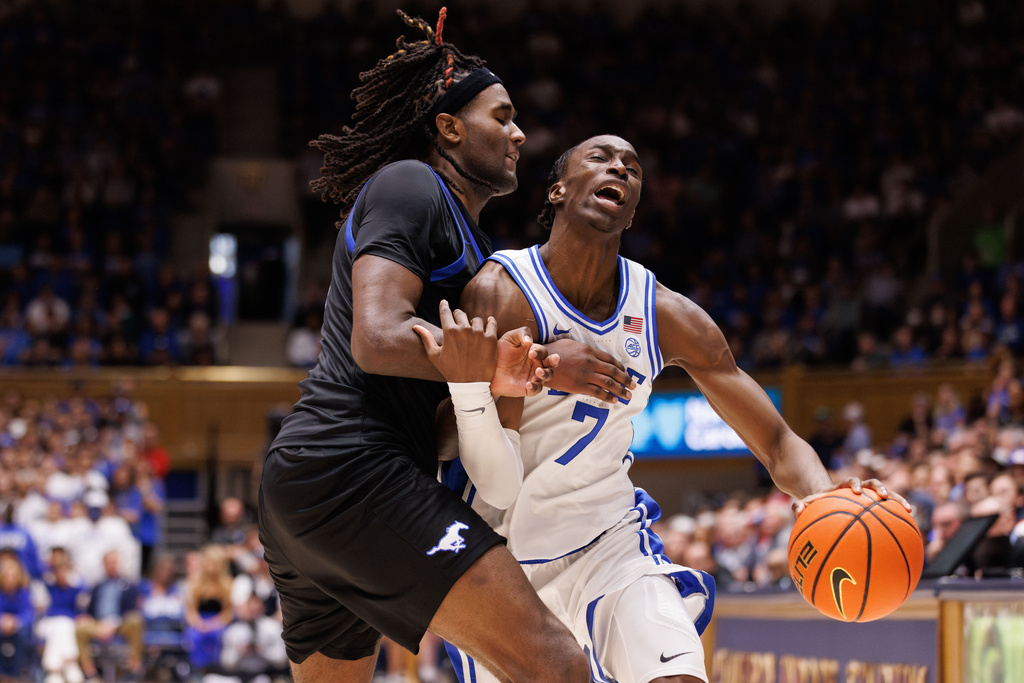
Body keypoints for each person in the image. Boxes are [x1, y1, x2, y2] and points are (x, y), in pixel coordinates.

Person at [423, 135, 909, 683]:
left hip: (608, 547)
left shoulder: (663, 313)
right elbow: (476, 461)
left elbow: (774, 441)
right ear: (558, 189)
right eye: (602, 158)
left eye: (632, 168)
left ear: (632, 211)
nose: (621, 169)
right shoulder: (504, 290)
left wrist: (826, 497)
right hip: (502, 560)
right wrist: (540, 370)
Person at [257, 10, 628, 682]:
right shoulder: (411, 184)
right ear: (449, 126)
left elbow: (444, 412)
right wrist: (543, 364)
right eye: (501, 116)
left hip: (314, 483)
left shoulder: (478, 249)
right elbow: (376, 337)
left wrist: (511, 391)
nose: (519, 132)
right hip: (353, 468)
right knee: (559, 666)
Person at [75, 549, 144, 681]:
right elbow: (90, 610)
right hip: (99, 623)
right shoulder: (97, 586)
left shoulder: (129, 585)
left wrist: (112, 624)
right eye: (109, 562)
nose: (112, 565)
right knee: (80, 626)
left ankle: (134, 663)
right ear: (104, 565)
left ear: (119, 564)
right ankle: (89, 671)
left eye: (114, 562)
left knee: (136, 620)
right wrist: (87, 618)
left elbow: (132, 609)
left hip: (121, 623)